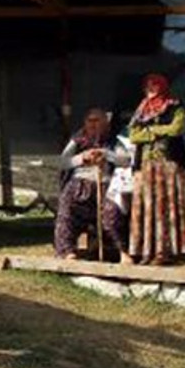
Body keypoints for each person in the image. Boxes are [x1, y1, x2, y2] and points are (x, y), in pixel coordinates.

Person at [125, 73, 185, 265]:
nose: (151, 89)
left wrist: (151, 131)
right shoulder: (142, 109)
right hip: (145, 165)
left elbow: (176, 129)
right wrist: (158, 132)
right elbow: (133, 136)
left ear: (162, 86)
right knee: (146, 208)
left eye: (155, 85)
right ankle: (146, 250)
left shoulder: (175, 106)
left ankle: (165, 251)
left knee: (166, 207)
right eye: (148, 86)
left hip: (168, 163)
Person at [53, 108, 129, 260]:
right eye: (90, 121)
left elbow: (125, 160)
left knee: (112, 212)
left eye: (97, 120)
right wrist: (82, 158)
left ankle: (123, 252)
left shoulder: (113, 141)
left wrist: (106, 155)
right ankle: (67, 251)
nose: (93, 125)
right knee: (67, 210)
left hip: (105, 185)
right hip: (79, 185)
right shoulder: (77, 140)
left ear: (106, 123)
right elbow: (62, 162)